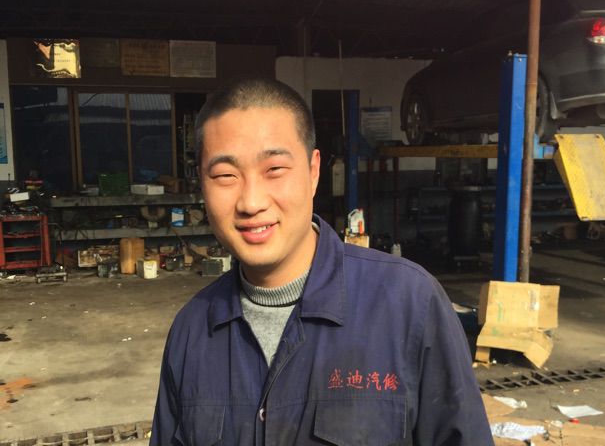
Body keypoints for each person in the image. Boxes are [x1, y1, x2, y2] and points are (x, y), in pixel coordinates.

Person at [151, 77, 493, 445]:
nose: (251, 202)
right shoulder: (192, 330)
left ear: (313, 171)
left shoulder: (409, 304)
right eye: (225, 176)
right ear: (202, 185)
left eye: (274, 170)